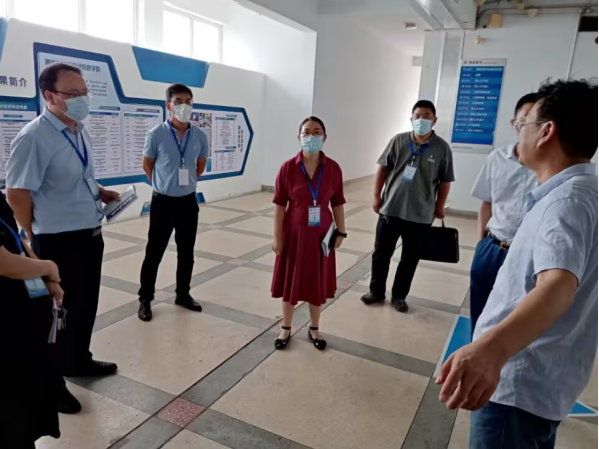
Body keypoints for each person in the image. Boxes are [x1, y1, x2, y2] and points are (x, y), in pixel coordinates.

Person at [438, 80, 599, 449]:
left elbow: (557, 285)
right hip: (541, 380)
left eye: (524, 125)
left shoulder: (567, 202)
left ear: (546, 132)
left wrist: (491, 351)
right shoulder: (581, 193)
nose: (519, 134)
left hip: (517, 385)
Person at [6, 63, 120, 414]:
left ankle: (78, 360)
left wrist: (99, 191)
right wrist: (30, 235)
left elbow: (76, 175)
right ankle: (53, 386)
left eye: (84, 92)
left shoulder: (78, 129)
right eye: (73, 94)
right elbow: (17, 193)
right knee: (57, 315)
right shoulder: (33, 137)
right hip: (57, 241)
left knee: (84, 307)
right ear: (49, 96)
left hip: (90, 234)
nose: (82, 99)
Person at [361, 100, 455, 313]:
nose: (422, 120)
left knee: (410, 259)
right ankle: (376, 291)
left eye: (427, 116)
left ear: (435, 120)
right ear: (411, 119)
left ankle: (399, 296)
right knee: (381, 253)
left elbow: (445, 180)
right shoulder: (398, 140)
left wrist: (439, 206)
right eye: (418, 116)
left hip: (421, 214)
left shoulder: (442, 148)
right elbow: (383, 168)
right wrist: (376, 196)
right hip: (391, 209)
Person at [271, 117, 347, 351]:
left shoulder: (333, 168)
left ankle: (314, 327)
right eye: (306, 132)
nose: (311, 136)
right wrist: (277, 238)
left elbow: (337, 203)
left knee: (317, 281)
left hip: (322, 236)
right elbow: (279, 205)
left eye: (317, 132)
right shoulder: (287, 168)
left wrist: (341, 231)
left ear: (324, 137)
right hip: (294, 235)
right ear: (299, 136)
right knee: (290, 281)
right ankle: (285, 327)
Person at [469, 94, 540, 335]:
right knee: (480, 308)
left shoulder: (550, 167)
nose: (529, 126)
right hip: (492, 248)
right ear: (514, 123)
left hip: (528, 254)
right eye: (524, 119)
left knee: (516, 317)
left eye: (537, 120)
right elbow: (486, 203)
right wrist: (481, 243)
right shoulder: (496, 159)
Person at [138, 84, 209, 322]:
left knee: (186, 252)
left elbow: (200, 167)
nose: (184, 106)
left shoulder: (200, 136)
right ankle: (145, 299)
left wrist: (183, 185)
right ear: (168, 105)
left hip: (188, 203)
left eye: (188, 101)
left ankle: (183, 294)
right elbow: (147, 165)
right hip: (163, 203)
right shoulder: (155, 134)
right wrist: (163, 185)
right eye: (179, 101)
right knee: (154, 252)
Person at [0, 192, 62, 448]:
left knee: (24, 404)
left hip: (19, 319)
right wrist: (48, 267)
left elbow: (13, 238)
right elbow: (2, 262)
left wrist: (46, 276)